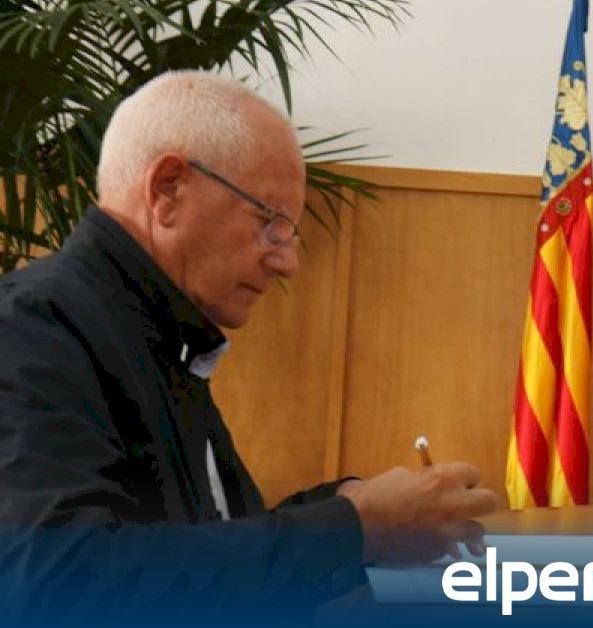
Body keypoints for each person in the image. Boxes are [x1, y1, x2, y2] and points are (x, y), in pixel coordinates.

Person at [0, 71, 499, 624]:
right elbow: (53, 584)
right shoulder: (30, 327)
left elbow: (203, 542)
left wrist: (348, 506)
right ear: (168, 190)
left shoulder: (162, 333)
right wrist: (354, 530)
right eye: (270, 223)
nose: (287, 262)